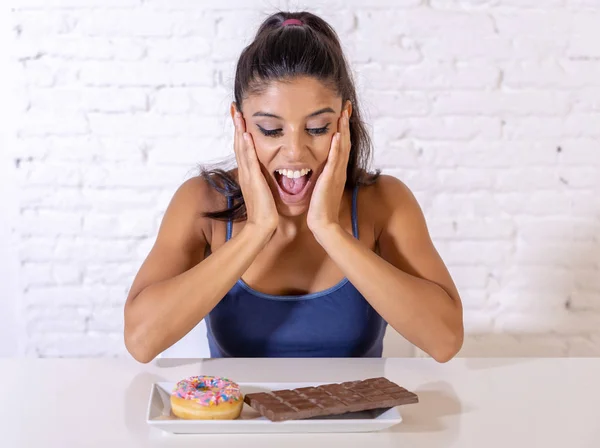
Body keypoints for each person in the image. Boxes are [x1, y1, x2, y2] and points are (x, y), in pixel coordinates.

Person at [124, 11, 463, 363]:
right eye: (271, 130)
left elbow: (445, 341)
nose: (294, 151)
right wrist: (256, 230)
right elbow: (141, 341)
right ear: (240, 124)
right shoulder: (203, 202)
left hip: (357, 419)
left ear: (344, 120)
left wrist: (329, 229)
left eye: (317, 128)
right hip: (240, 418)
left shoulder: (384, 202)